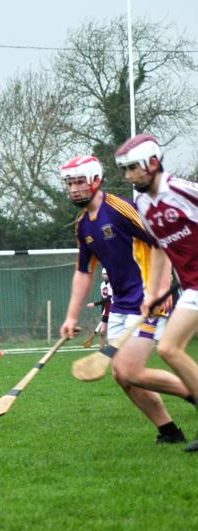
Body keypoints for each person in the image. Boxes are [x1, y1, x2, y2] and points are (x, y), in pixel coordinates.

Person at [56, 154, 188, 445]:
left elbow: (160, 240)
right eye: (69, 183)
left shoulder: (119, 209)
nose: (74, 189)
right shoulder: (83, 225)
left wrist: (161, 289)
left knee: (131, 369)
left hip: (148, 298)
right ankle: (170, 433)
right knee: (123, 376)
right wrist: (71, 316)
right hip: (121, 304)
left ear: (95, 180)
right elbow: (83, 273)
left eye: (79, 181)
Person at [114, 134, 198, 450]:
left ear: (152, 163)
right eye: (124, 169)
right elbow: (161, 248)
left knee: (170, 348)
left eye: (132, 168)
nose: (128, 175)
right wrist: (153, 292)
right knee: (168, 349)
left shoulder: (181, 191)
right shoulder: (144, 205)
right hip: (191, 287)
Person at [84, 269, 112, 348]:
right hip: (106, 309)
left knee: (112, 332)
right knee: (102, 332)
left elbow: (108, 299)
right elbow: (103, 298)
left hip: (114, 309)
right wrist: (103, 310)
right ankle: (102, 350)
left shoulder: (113, 284)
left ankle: (114, 348)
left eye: (107, 274)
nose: (105, 275)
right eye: (104, 274)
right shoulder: (102, 285)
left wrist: (94, 304)